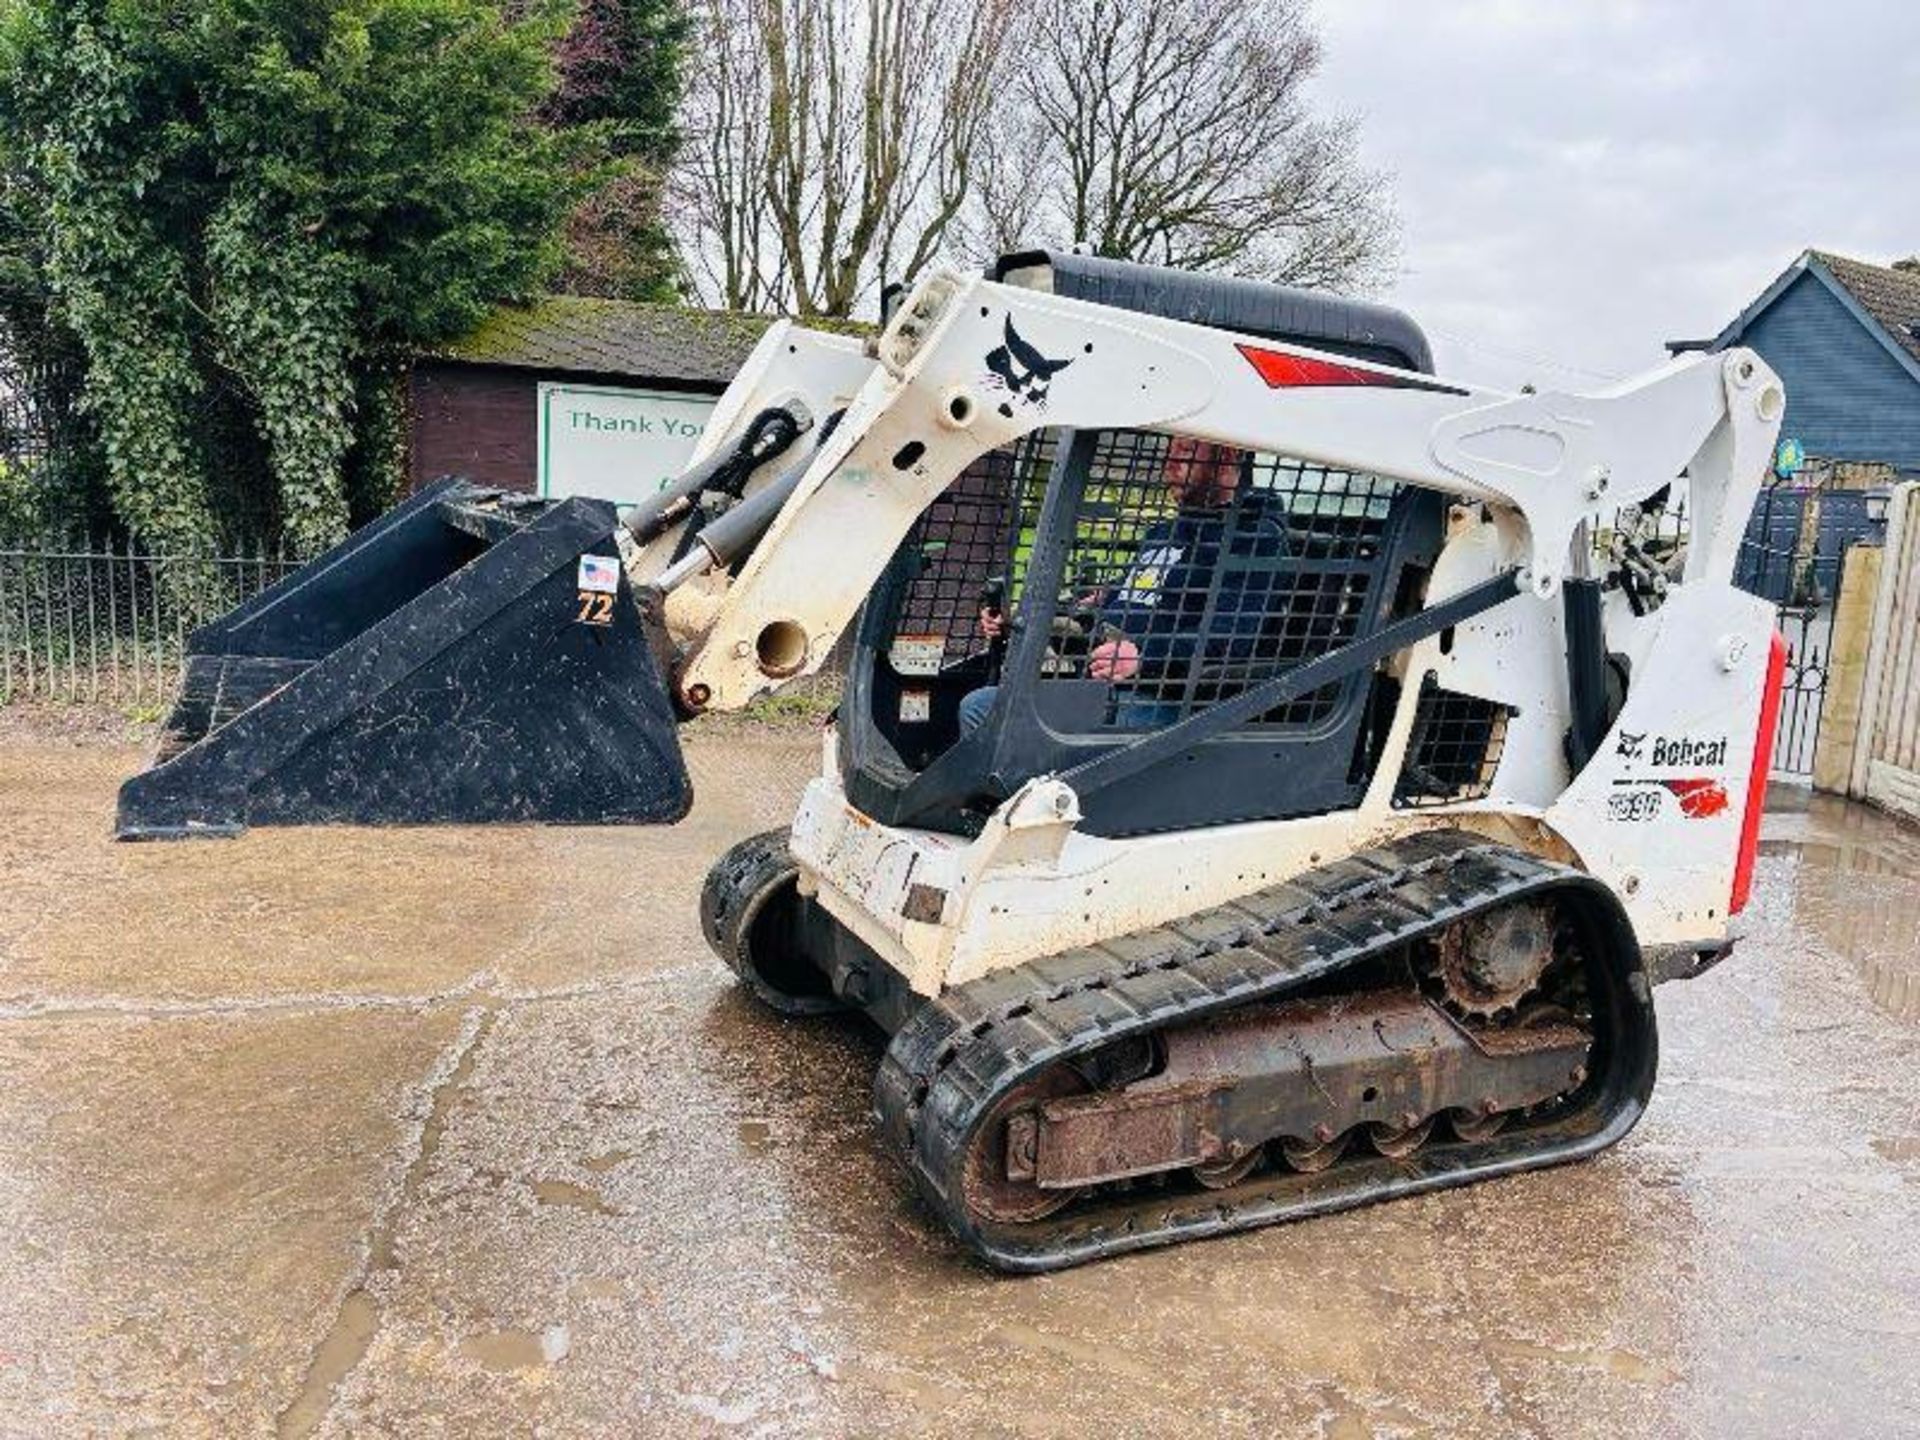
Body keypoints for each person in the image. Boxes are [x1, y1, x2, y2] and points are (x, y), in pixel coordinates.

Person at [958, 436, 1277, 736]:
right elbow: (1119, 599)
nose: (1170, 463)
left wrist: (1143, 658)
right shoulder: (1163, 533)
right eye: (1169, 453)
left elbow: (1233, 637)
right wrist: (1018, 619)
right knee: (981, 707)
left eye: (1183, 452)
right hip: (1104, 685)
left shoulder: (1254, 538)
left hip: (1165, 698)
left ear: (1229, 455)